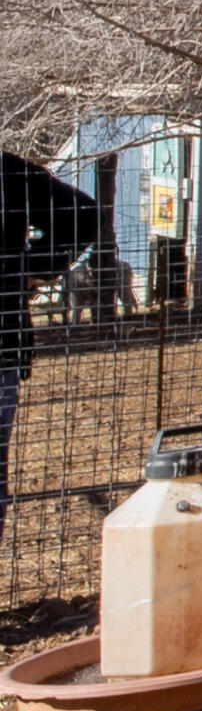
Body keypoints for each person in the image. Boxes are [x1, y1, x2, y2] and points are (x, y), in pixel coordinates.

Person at [0, 154, 107, 533]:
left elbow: (83, 215)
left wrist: (29, 270)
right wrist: (30, 271)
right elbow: (84, 215)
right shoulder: (9, 171)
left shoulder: (9, 172)